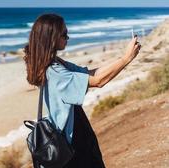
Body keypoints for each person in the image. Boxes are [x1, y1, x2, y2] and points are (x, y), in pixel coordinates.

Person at [23, 14, 141, 168]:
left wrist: (123, 58)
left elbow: (90, 74)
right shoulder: (54, 72)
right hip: (71, 141)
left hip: (74, 133)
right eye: (64, 34)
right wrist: (125, 59)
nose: (68, 37)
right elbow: (98, 81)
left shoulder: (56, 63)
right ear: (51, 38)